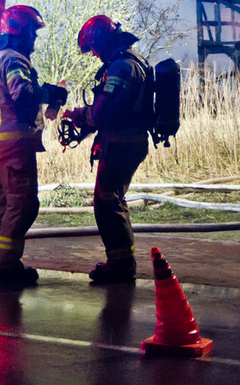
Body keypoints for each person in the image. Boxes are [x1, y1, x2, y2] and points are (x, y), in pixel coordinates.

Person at [64, 15, 153, 284]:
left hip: (122, 144)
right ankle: (120, 262)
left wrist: (80, 115)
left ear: (102, 40)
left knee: (108, 202)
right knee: (110, 200)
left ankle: (121, 266)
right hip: (126, 141)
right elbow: (112, 111)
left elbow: (104, 112)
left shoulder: (121, 68)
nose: (93, 52)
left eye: (93, 46)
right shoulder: (127, 62)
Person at [0, 5, 67, 287]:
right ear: (19, 30)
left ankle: (1, 262)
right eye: (32, 31)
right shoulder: (15, 59)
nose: (34, 37)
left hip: (2, 146)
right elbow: (24, 95)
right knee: (24, 205)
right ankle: (7, 268)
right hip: (17, 145)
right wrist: (51, 92)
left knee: (6, 206)